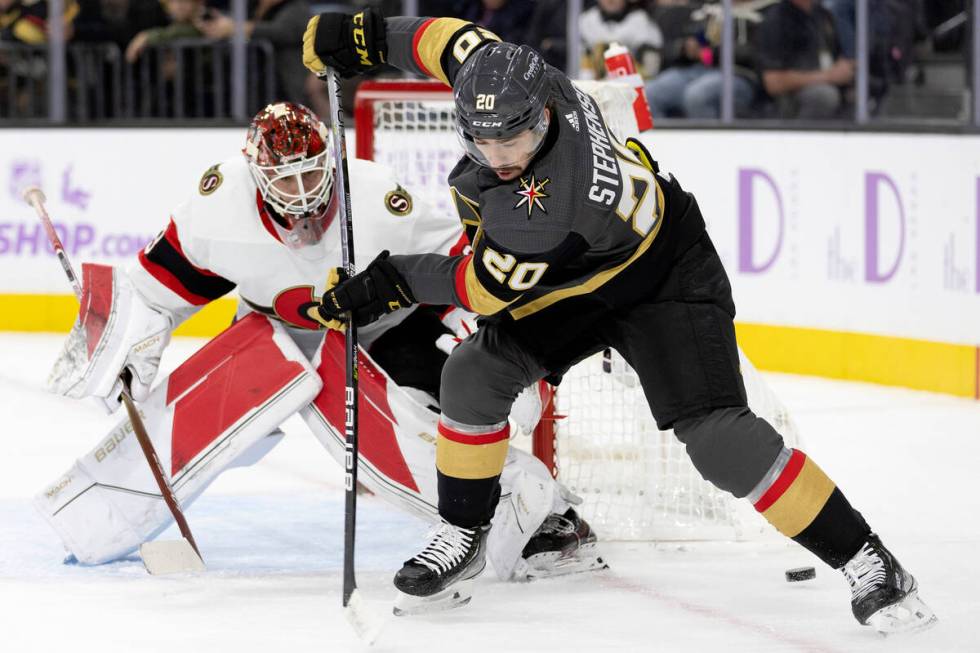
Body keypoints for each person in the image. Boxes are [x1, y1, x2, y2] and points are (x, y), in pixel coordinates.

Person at [301, 10, 938, 633]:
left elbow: (482, 291)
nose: (497, 157)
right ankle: (465, 531)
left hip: (664, 277)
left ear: (543, 116)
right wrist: (365, 36)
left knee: (720, 441)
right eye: (482, 140)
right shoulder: (516, 76)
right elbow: (447, 39)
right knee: (472, 376)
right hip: (576, 275)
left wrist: (393, 281)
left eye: (512, 139)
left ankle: (868, 559)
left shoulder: (544, 210)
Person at [38, 101, 603, 584]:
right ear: (254, 173)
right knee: (191, 419)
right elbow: (157, 288)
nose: (304, 193)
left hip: (386, 324)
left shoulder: (378, 197)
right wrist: (130, 352)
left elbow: (462, 264)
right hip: (274, 333)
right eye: (286, 180)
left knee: (436, 420)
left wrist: (484, 342)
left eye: (313, 173)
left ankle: (541, 518)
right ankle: (97, 512)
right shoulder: (217, 208)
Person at [755, 0, 853, 119]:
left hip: (833, 84)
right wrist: (829, 76)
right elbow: (773, 82)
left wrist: (847, 65)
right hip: (789, 99)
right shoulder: (776, 20)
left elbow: (839, 55)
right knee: (824, 96)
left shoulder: (823, 15)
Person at [578, 0, 662, 80]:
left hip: (630, 82)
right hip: (595, 84)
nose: (610, 0)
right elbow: (582, 62)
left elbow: (651, 62)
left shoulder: (640, 20)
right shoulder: (587, 19)